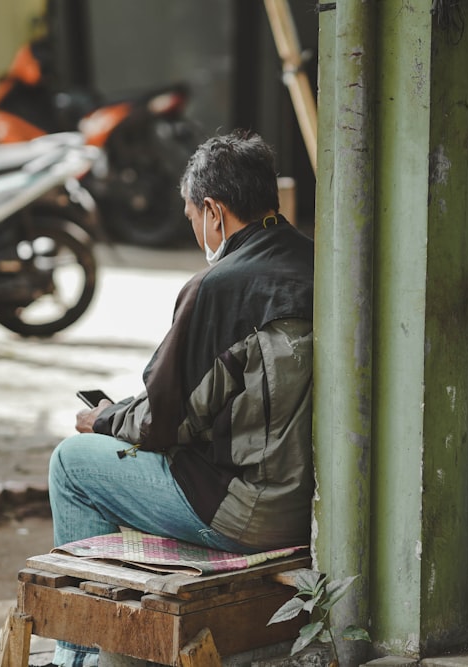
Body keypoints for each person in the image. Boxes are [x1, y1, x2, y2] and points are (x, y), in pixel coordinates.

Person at [47, 130, 315, 667]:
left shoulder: (218, 287)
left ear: (214, 211)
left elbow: (165, 423)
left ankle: (74, 659)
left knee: (72, 464)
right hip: (310, 507)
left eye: (192, 216)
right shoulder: (319, 264)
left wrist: (103, 420)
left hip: (248, 511)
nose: (194, 229)